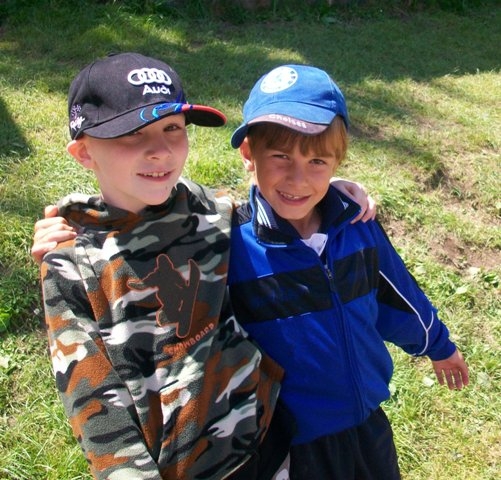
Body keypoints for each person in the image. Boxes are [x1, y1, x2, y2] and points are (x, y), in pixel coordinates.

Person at [32, 53, 374, 480]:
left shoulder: (210, 211)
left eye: (172, 128)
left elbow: (278, 204)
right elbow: (93, 402)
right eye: (133, 134)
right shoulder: (70, 263)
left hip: (270, 445)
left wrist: (330, 190)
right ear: (84, 152)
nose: (160, 151)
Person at [224, 65, 469, 480]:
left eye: (317, 161)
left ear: (338, 160)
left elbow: (397, 292)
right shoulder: (231, 245)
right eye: (280, 156)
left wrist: (437, 344)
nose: (298, 178)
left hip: (367, 424)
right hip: (289, 444)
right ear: (249, 154)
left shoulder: (356, 226)